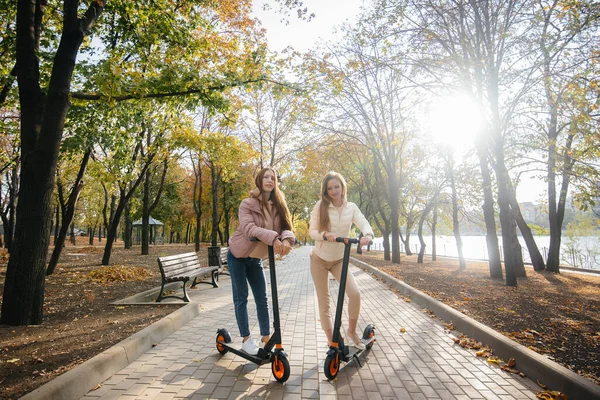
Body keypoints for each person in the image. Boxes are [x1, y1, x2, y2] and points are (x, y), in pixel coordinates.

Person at [227, 167, 295, 355]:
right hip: (238, 256)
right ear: (259, 180)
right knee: (241, 298)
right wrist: (274, 238)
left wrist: (287, 240)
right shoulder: (247, 204)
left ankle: (266, 338)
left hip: (255, 259)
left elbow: (287, 227)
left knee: (262, 298)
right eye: (265, 177)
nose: (269, 180)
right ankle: (247, 339)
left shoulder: (279, 204)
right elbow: (249, 228)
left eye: (273, 178)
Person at [309, 171, 374, 350]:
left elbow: (363, 222)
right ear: (326, 190)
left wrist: (367, 234)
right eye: (330, 188)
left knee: (355, 293)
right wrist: (324, 235)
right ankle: (332, 341)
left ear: (342, 187)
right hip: (319, 260)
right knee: (324, 302)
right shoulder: (320, 206)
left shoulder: (351, 207)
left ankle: (352, 331)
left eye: (336, 186)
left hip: (339, 260)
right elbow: (312, 232)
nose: (334, 191)